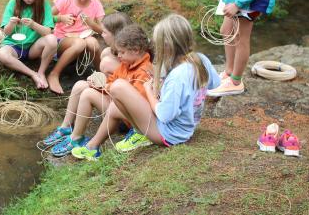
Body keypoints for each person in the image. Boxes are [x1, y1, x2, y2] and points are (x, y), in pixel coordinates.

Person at [82, 14, 220, 158]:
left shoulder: (177, 76)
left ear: (166, 46)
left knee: (118, 87)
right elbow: (214, 84)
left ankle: (100, 145)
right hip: (187, 127)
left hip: (168, 134)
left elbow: (165, 115)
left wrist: (149, 90)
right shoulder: (201, 59)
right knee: (115, 106)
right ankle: (94, 146)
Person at [44, 24, 153, 157]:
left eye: (122, 52)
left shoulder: (144, 71)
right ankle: (66, 128)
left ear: (136, 50)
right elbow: (112, 81)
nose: (118, 56)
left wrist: (105, 88)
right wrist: (97, 83)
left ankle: (76, 138)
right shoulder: (127, 64)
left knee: (88, 94)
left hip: (129, 119)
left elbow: (136, 104)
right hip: (117, 106)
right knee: (80, 85)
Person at [47, 0, 105, 94]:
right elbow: (46, 18)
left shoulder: (96, 4)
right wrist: (61, 18)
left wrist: (91, 23)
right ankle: (54, 74)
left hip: (83, 41)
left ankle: (101, 75)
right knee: (80, 43)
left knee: (93, 43)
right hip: (62, 40)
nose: (83, 0)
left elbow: (103, 30)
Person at [0, 0, 58, 89]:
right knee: (2, 54)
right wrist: (11, 23)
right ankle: (33, 74)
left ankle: (41, 72)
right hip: (13, 46)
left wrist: (33, 24)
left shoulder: (44, 5)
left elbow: (47, 32)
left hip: (32, 49)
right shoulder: (12, 3)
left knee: (52, 40)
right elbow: (6, 32)